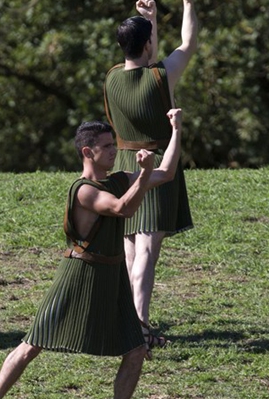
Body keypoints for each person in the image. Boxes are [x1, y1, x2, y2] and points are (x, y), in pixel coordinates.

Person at [0, 109, 183, 399]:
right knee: (32, 345)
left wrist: (176, 130)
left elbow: (167, 173)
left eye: (113, 145)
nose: (114, 151)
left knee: (135, 349)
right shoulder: (83, 190)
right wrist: (143, 176)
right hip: (78, 275)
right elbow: (122, 209)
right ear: (88, 152)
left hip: (113, 275)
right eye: (106, 146)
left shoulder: (116, 179)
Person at [103, 0, 197, 354]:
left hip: (124, 164)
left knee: (131, 250)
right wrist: (188, 5)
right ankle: (139, 328)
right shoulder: (161, 75)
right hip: (155, 163)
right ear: (147, 45)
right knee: (147, 250)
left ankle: (129, 323)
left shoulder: (112, 77)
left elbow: (147, 55)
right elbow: (187, 44)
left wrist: (150, 20)